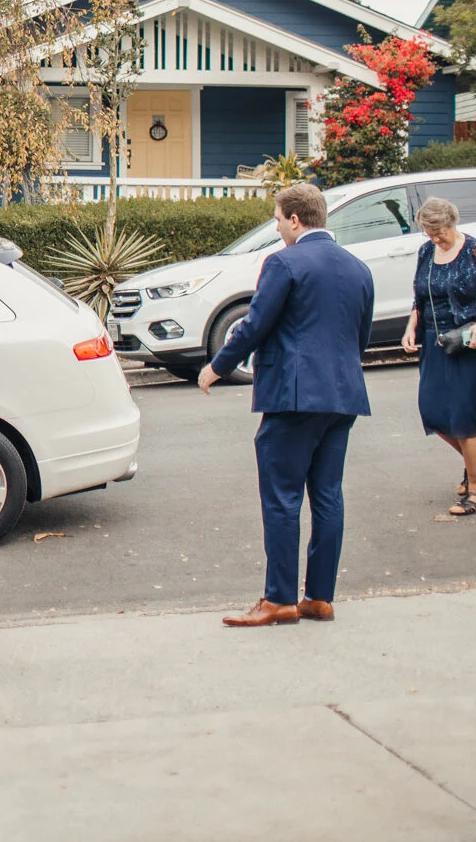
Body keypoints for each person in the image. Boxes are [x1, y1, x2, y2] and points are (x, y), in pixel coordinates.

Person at [199, 183, 373, 626]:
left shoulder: (283, 262)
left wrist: (217, 366)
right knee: (328, 496)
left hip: (295, 396)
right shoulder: (359, 269)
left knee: (282, 499)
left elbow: (255, 323)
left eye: (277, 219)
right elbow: (361, 337)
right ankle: (319, 598)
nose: (277, 227)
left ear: (295, 220)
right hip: (343, 394)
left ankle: (278, 599)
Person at [401, 196, 476, 516]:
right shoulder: (425, 252)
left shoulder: (475, 251)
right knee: (432, 412)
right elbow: (420, 296)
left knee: (463, 417)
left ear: (452, 223)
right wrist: (412, 325)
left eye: (440, 232)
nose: (435, 238)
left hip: (469, 342)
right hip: (436, 341)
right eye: (429, 232)